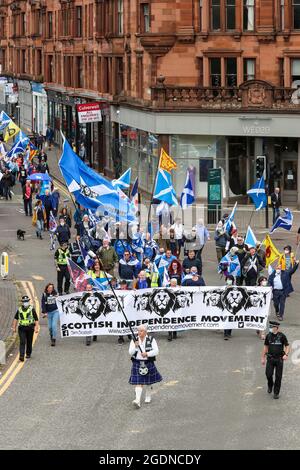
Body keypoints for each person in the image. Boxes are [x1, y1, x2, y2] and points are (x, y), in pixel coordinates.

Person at [129, 325, 162, 408]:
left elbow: (156, 351)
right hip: (137, 363)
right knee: (138, 382)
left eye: (141, 331)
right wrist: (136, 347)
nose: (139, 332)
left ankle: (148, 395)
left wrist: (147, 354)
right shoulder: (134, 340)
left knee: (148, 381)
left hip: (148, 362)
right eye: (138, 331)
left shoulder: (151, 339)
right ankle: (137, 401)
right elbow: (130, 352)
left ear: (145, 332)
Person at [261, 321, 289, 399]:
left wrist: (286, 355)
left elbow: (287, 346)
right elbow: (265, 347)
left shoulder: (282, 336)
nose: (270, 328)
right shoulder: (268, 336)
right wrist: (263, 358)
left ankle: (276, 393)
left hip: (279, 359)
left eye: (272, 327)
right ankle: (270, 385)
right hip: (270, 359)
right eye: (270, 327)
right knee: (268, 374)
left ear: (276, 328)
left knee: (278, 376)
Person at [12, 295, 39, 362]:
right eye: (24, 301)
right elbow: (16, 318)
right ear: (22, 302)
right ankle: (21, 356)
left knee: (29, 341)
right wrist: (14, 327)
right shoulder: (19, 309)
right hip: (21, 328)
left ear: (28, 301)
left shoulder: (32, 309)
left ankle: (28, 353)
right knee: (22, 341)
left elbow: (36, 319)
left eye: (27, 301)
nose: (25, 302)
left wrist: (36, 328)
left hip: (30, 327)